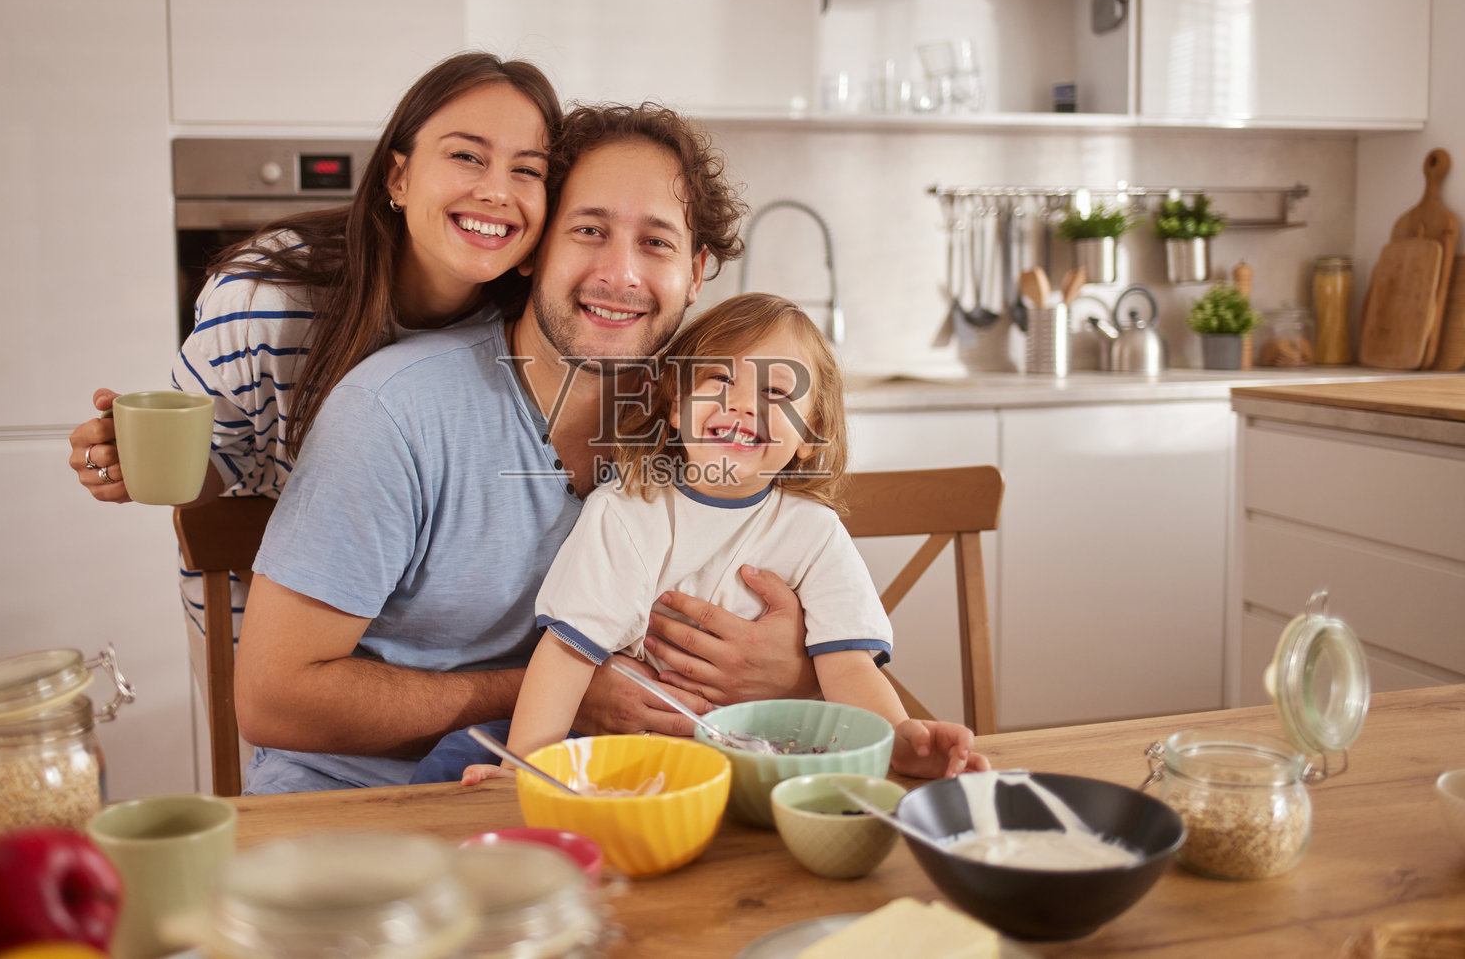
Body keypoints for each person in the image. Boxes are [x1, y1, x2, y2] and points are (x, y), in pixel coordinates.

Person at [233, 104, 822, 794]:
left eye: (655, 243)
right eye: (589, 231)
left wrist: (796, 671)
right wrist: (562, 690)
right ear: (535, 247)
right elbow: (272, 700)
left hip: (594, 801)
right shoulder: (394, 412)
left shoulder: (712, 424)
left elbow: (816, 603)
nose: (621, 273)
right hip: (363, 809)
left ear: (696, 272)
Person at [64, 52, 561, 642]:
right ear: (397, 178)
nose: (497, 191)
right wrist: (131, 461)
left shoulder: (537, 325)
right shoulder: (264, 299)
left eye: (527, 170)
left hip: (449, 648)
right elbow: (215, 465)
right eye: (466, 156)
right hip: (268, 639)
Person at [450, 293, 991, 786]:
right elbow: (567, 653)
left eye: (776, 391)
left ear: (809, 433)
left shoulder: (815, 533)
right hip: (632, 761)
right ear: (674, 403)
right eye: (719, 380)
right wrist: (525, 764)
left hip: (763, 764)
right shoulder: (626, 512)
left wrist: (898, 744)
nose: (742, 405)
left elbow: (848, 664)